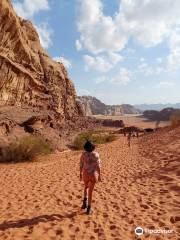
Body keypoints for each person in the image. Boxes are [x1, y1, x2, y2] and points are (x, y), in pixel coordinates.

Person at [80, 141, 101, 214]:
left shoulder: (83, 154)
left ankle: (84, 202)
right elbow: (98, 166)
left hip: (85, 173)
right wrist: (100, 175)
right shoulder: (96, 154)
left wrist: (80, 173)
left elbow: (81, 165)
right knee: (90, 192)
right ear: (93, 148)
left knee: (86, 187)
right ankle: (89, 208)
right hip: (93, 174)